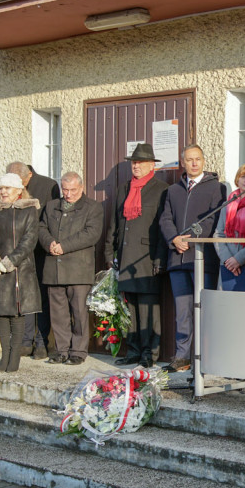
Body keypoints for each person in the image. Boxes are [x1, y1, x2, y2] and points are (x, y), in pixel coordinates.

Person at [159, 144, 226, 373]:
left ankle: (206, 357)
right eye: (190, 160)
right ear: (183, 163)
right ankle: (182, 356)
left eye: (198, 159)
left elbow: (214, 219)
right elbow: (165, 219)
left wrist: (190, 237)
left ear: (203, 161)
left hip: (202, 259)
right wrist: (174, 239)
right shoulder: (172, 191)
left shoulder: (216, 188)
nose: (194, 163)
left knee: (205, 309)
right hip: (178, 259)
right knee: (183, 311)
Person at [104, 143, 169, 369]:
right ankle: (132, 350)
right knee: (129, 306)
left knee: (148, 307)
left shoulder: (161, 188)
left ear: (152, 165)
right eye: (134, 162)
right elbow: (115, 222)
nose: (136, 166)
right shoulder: (124, 188)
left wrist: (160, 259)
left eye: (140, 162)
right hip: (125, 256)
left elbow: (163, 227)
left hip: (147, 257)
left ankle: (149, 353)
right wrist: (109, 252)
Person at [0, 173, 42, 373]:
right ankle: (4, 356)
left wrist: (10, 261)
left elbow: (29, 240)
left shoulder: (29, 211)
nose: (3, 192)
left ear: (18, 191)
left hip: (19, 270)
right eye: (1, 188)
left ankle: (14, 357)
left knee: (16, 313)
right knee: (1, 313)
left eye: (7, 188)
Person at [38, 172, 104, 366]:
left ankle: (78, 351)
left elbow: (91, 234)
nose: (68, 194)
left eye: (72, 190)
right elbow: (41, 228)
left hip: (78, 269)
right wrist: (49, 242)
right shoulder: (51, 206)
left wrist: (64, 246)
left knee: (79, 312)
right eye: (65, 190)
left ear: (81, 188)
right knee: (58, 313)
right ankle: (61, 350)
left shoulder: (93, 207)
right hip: (54, 268)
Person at [7, 161, 60, 359]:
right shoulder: (10, 189)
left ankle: (42, 341)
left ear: (28, 175)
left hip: (40, 250)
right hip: (19, 253)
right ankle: (25, 341)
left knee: (42, 297)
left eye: (18, 181)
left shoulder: (47, 185)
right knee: (25, 298)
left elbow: (51, 219)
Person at [214, 164, 245, 292]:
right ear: (237, 179)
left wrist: (239, 259)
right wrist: (228, 261)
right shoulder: (228, 203)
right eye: (243, 176)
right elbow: (218, 234)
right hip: (228, 264)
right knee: (227, 307)